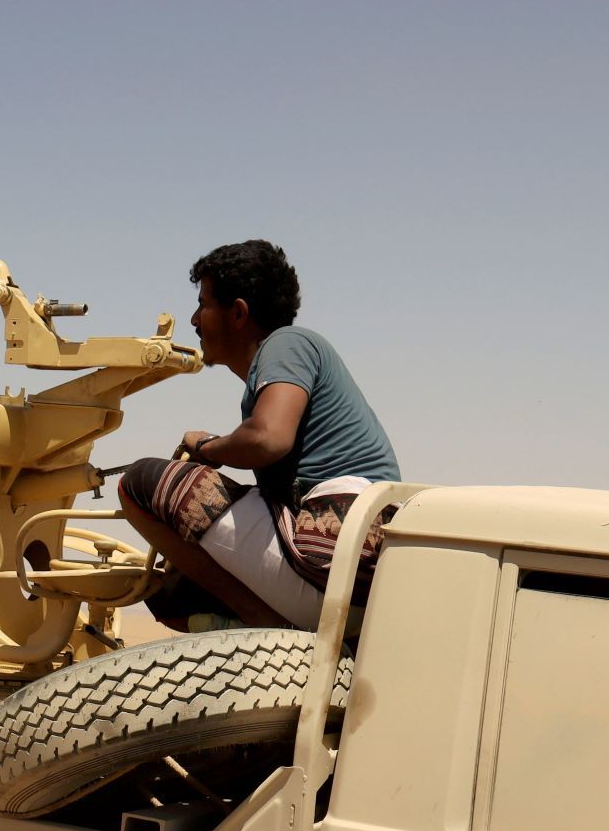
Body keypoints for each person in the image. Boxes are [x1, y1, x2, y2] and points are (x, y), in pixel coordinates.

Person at [119, 240, 399, 629]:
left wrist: (207, 446)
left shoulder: (287, 343)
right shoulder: (283, 363)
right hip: (355, 573)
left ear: (238, 313)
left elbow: (267, 438)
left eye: (203, 304)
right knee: (171, 594)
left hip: (331, 561)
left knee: (139, 483)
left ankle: (265, 624)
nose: (195, 320)